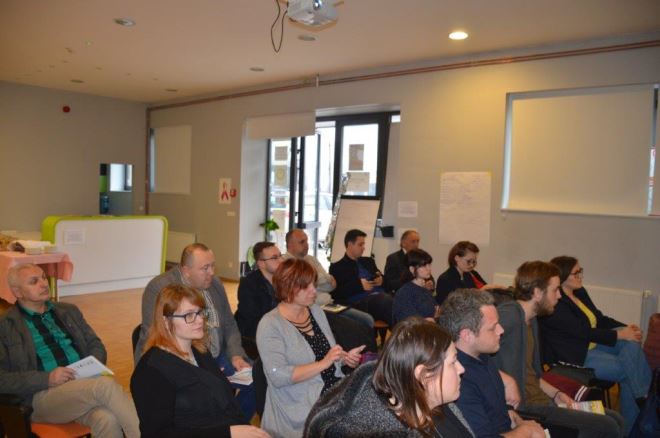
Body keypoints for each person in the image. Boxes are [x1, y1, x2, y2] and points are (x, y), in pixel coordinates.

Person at [0, 264, 139, 438]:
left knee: (107, 419)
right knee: (104, 385)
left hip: (81, 387)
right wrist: (47, 378)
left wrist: (91, 366)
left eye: (43, 277)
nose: (44, 284)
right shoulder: (5, 326)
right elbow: (2, 379)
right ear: (17, 292)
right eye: (34, 281)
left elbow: (95, 343)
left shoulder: (68, 310)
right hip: (41, 396)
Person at [495, 261, 624, 438]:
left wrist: (557, 394)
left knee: (615, 419)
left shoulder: (532, 320)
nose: (559, 296)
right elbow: (471, 350)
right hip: (528, 408)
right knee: (608, 426)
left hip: (542, 399)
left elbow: (534, 375)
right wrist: (507, 380)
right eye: (555, 290)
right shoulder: (510, 315)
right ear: (538, 293)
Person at [131, 283, 269, 438]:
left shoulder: (200, 351)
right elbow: (158, 434)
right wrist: (229, 433)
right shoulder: (151, 372)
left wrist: (244, 429)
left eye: (200, 312)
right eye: (189, 315)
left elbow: (226, 403)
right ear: (166, 322)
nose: (200, 320)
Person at [135, 243, 254, 419]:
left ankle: (234, 422)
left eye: (213, 266)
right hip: (184, 360)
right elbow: (152, 334)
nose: (212, 272)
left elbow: (229, 324)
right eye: (205, 268)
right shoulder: (160, 288)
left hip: (217, 356)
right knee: (209, 397)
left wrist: (235, 354)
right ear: (186, 271)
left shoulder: (215, 284)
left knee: (256, 380)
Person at [305, 317, 473, 437]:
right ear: (423, 374)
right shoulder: (384, 430)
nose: (461, 369)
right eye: (453, 362)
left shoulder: (434, 403)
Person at [539, 256, 651, 435]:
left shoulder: (579, 292)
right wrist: (619, 334)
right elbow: (581, 332)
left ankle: (643, 399)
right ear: (564, 276)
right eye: (576, 272)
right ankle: (640, 413)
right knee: (629, 370)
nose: (580, 276)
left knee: (631, 344)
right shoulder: (557, 302)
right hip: (575, 354)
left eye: (580, 271)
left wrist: (626, 328)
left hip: (592, 344)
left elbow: (599, 319)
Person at [256, 258, 363, 438]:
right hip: (298, 404)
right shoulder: (270, 324)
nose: (314, 290)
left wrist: (344, 358)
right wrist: (324, 363)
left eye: (313, 284)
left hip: (331, 392)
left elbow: (327, 354)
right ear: (288, 288)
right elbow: (278, 376)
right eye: (306, 287)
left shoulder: (315, 311)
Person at [439, 288, 550, 438]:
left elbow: (500, 411)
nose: (501, 330)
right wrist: (526, 431)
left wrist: (514, 416)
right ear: (467, 335)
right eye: (492, 328)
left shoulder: (481, 355)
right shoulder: (460, 382)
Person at [284, 229, 374, 328]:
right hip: (314, 308)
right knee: (361, 323)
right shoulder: (286, 263)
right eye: (302, 242)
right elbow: (306, 285)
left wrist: (318, 280)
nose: (306, 245)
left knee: (367, 319)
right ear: (290, 244)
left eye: (307, 241)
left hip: (329, 304)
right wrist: (322, 279)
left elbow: (330, 286)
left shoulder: (311, 259)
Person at [329, 229, 394, 326]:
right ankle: (405, 332)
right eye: (360, 245)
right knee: (385, 300)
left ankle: (406, 331)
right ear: (350, 245)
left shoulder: (368, 261)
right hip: (361, 303)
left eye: (363, 244)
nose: (363, 248)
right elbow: (336, 294)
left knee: (398, 299)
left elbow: (386, 281)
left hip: (381, 297)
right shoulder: (337, 267)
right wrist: (359, 285)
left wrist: (382, 280)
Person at [436, 241, 503, 306]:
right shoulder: (445, 279)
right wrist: (480, 292)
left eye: (474, 262)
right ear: (457, 258)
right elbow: (449, 307)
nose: (471, 265)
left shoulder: (469, 274)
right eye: (468, 261)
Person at [392, 249, 440, 324]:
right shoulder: (404, 293)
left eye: (429, 264)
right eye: (424, 266)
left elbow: (437, 311)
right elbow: (409, 323)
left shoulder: (425, 290)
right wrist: (429, 320)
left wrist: (435, 318)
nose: (429, 269)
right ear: (412, 269)